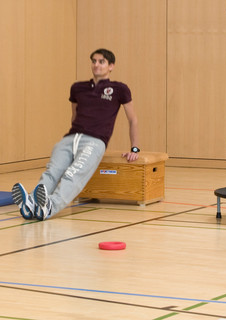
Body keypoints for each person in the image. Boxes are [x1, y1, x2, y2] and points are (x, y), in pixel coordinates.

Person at [11, 48, 139, 220]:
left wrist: (135, 149)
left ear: (111, 66)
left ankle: (50, 207)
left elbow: (133, 120)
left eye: (101, 61)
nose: (96, 65)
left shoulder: (119, 89)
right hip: (70, 138)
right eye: (94, 61)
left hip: (94, 141)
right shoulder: (78, 88)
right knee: (52, 172)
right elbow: (74, 116)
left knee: (73, 174)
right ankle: (32, 205)